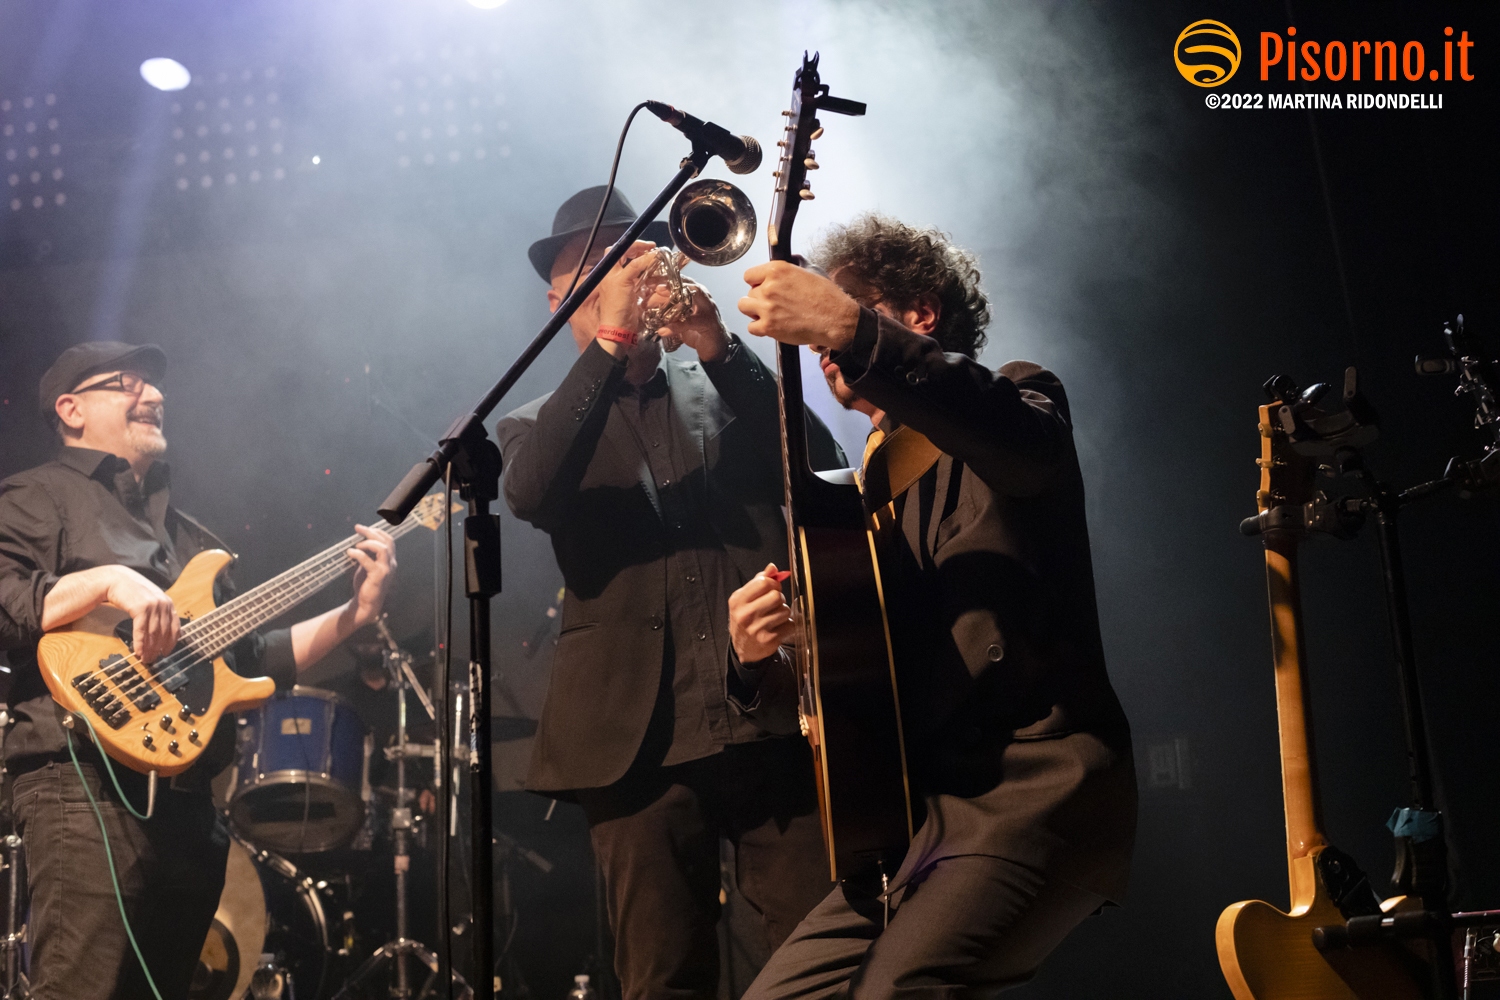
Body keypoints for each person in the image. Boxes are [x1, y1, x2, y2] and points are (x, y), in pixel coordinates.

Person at [729, 216, 1137, 997]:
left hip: (1032, 796)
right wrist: (757, 659)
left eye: (852, 303)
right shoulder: (857, 501)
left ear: (919, 314)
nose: (822, 347)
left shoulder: (1015, 398)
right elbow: (845, 700)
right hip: (915, 828)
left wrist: (852, 329)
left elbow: (1020, 444)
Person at [495, 186, 845, 998]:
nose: (620, 276)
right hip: (632, 745)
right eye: (594, 268)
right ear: (559, 300)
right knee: (662, 981)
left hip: (770, 712)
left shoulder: (724, 381)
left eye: (629, 258)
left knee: (821, 966)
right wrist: (612, 339)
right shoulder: (532, 422)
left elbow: (823, 469)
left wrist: (719, 345)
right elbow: (534, 493)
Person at [0, 341, 396, 1000]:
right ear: (70, 409)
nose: (153, 395)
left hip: (189, 809)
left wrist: (354, 615)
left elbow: (252, 662)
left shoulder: (190, 537)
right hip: (84, 782)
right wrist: (108, 581)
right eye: (127, 383)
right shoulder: (37, 495)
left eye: (153, 385)